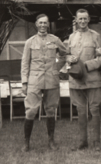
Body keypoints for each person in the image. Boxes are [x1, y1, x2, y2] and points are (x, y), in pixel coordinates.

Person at [21, 14, 67, 152]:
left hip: (51, 80)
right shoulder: (30, 42)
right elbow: (25, 62)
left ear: (48, 24)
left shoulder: (55, 40)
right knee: (30, 111)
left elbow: (65, 54)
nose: (42, 25)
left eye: (45, 23)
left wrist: (57, 68)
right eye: (40, 23)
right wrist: (24, 82)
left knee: (51, 110)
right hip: (34, 81)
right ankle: (26, 142)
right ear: (36, 24)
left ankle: (51, 140)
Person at [67, 9, 101, 151]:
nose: (82, 22)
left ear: (89, 20)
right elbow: (67, 56)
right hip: (76, 80)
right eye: (80, 19)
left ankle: (96, 142)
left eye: (85, 19)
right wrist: (69, 59)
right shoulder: (71, 37)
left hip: (92, 78)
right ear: (76, 20)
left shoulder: (96, 36)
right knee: (80, 111)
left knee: (94, 109)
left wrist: (86, 66)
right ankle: (83, 142)